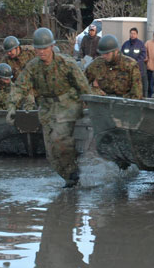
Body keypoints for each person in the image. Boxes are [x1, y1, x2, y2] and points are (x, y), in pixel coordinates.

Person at [8, 28, 92, 188]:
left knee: (59, 139)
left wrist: (90, 106)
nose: (41, 52)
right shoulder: (33, 66)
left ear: (52, 46)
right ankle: (71, 178)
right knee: (51, 154)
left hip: (67, 104)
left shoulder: (66, 64)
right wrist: (12, 105)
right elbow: (20, 87)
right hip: (46, 107)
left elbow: (83, 87)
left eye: (45, 48)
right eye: (38, 48)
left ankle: (73, 170)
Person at [86, 35, 143, 99]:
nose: (104, 56)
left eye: (107, 53)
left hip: (124, 105)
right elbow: (82, 83)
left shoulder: (130, 65)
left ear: (116, 51)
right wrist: (94, 91)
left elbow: (137, 95)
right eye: (102, 53)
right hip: (101, 105)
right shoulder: (97, 64)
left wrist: (116, 100)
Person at [121, 28, 147, 97]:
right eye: (131, 33)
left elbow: (143, 55)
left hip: (138, 70)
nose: (132, 35)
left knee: (138, 87)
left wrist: (135, 62)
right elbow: (122, 55)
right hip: (127, 70)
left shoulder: (140, 44)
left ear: (137, 35)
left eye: (134, 33)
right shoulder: (125, 44)